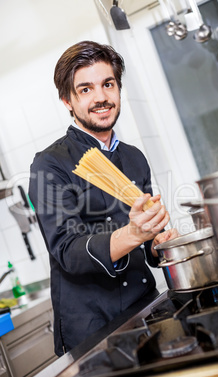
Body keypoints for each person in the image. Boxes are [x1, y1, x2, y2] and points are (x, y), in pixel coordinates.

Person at [29, 41, 178, 357]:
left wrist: (157, 242)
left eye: (107, 84)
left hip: (146, 305)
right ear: (67, 101)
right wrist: (134, 234)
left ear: (118, 89)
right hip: (92, 328)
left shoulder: (134, 157)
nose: (100, 97)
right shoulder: (50, 164)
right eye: (85, 89)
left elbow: (150, 250)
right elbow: (68, 252)